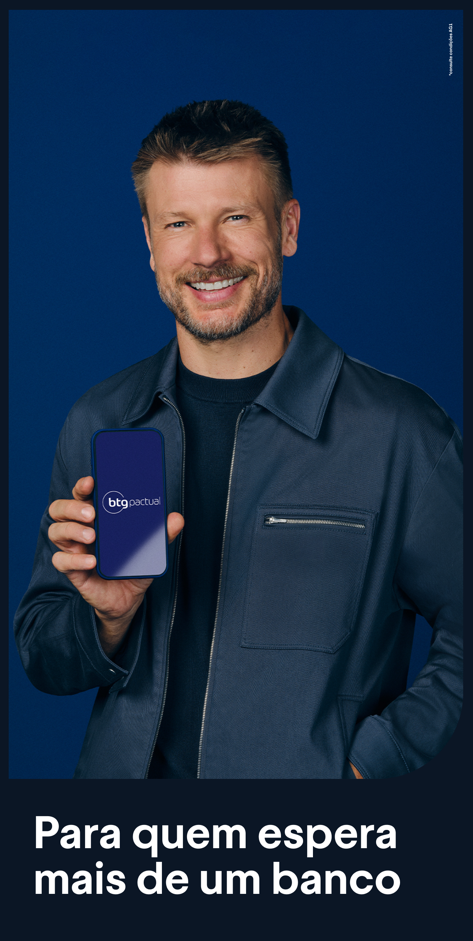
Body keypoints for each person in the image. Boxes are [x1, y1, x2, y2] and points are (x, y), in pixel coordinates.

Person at [14, 99, 462, 780]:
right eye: (178, 224)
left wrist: (374, 764)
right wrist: (104, 619)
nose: (207, 254)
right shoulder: (103, 418)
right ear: (148, 241)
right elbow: (45, 661)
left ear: (287, 228)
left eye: (235, 218)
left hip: (302, 855)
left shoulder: (399, 432)